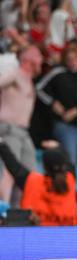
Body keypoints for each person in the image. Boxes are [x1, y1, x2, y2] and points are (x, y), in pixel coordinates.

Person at [36, 45, 77, 166]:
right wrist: (52, 102)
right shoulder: (57, 72)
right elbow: (39, 88)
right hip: (65, 125)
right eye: (69, 59)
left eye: (75, 58)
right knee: (71, 162)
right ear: (65, 60)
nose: (73, 62)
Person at [0, 139, 77, 226]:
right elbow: (69, 163)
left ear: (44, 166)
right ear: (63, 165)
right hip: (69, 236)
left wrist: (2, 144)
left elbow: (14, 166)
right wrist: (59, 147)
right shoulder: (70, 180)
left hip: (35, 236)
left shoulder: (32, 181)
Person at [0, 46, 43, 203]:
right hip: (10, 128)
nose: (41, 59)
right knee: (9, 172)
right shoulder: (15, 74)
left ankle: (24, 210)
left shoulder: (28, 78)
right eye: (38, 55)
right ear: (27, 59)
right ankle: (3, 210)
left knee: (30, 175)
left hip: (23, 132)